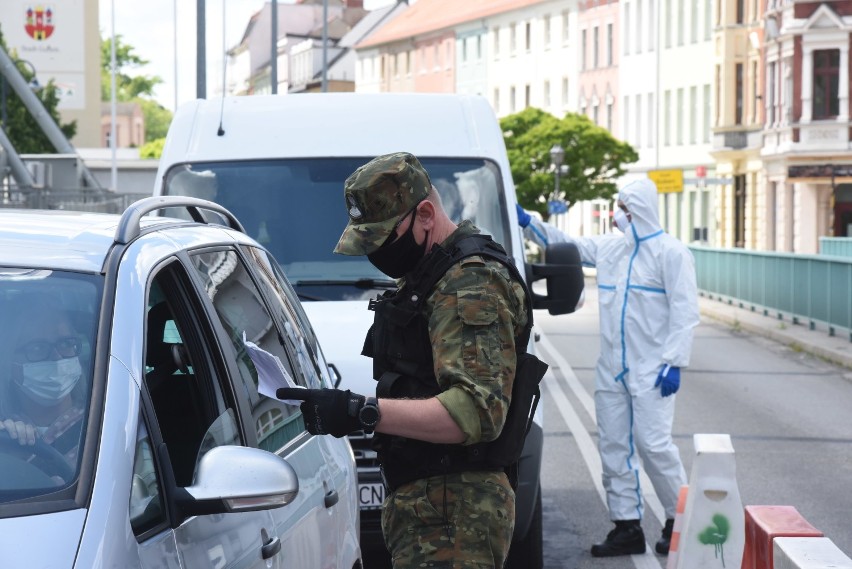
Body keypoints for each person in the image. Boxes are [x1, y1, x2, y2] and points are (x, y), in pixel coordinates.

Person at [278, 151, 539, 568]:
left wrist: (361, 411)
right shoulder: (433, 276)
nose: (378, 252)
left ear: (426, 214)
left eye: (384, 239)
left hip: (457, 515)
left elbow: (474, 411)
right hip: (433, 506)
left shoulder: (470, 282)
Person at [517, 178, 699, 557]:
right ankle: (627, 525)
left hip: (653, 371)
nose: (618, 216)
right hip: (612, 370)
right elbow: (565, 243)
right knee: (614, 447)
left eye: (624, 209)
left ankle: (680, 521)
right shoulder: (611, 249)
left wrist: (675, 362)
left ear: (640, 211)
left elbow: (685, 313)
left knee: (654, 447)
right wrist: (527, 221)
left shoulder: (672, 254)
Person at [0, 302, 87, 477]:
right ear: (8, 361)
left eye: (66, 343)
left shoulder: (105, 425)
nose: (57, 357)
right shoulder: (4, 434)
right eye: (37, 348)